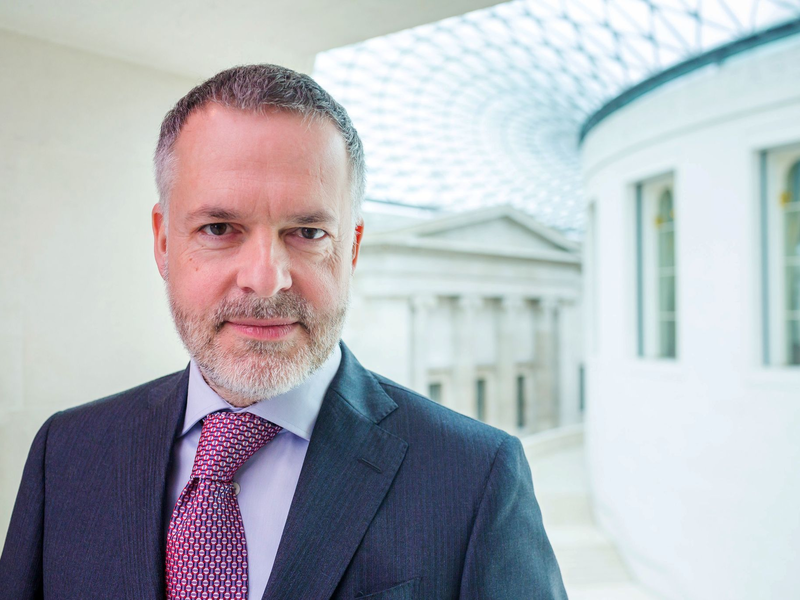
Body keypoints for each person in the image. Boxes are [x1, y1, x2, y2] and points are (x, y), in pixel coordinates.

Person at [0, 64, 567, 599]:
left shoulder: (474, 476)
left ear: (351, 249)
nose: (266, 280)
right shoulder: (66, 452)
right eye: (219, 227)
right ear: (164, 241)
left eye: (308, 232)